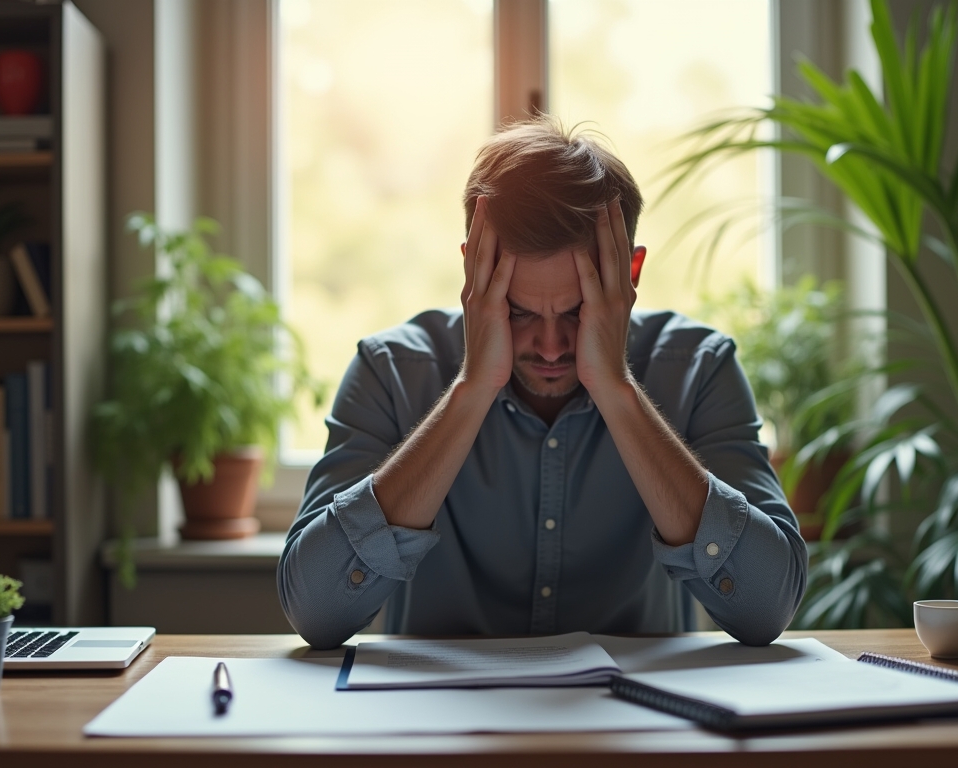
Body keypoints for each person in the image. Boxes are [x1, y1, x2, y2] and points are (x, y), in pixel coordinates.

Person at [278, 117, 806, 650]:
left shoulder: (699, 367)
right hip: (440, 726)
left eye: (578, 312)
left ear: (631, 274)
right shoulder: (389, 371)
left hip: (638, 727)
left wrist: (616, 388)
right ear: (473, 273)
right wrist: (472, 388)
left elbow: (765, 610)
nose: (552, 347)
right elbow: (317, 613)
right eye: (520, 312)